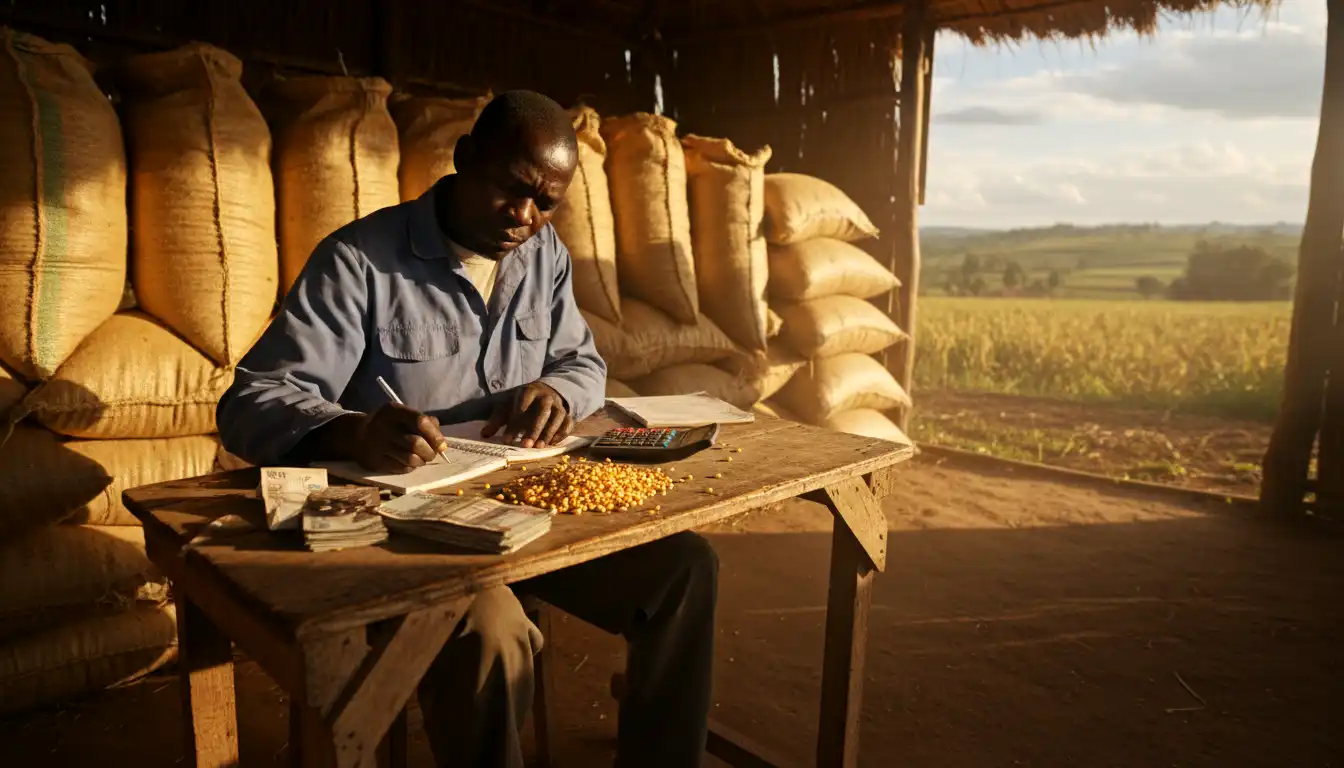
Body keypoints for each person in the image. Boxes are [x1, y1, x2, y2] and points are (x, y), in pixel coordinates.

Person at [217, 90, 717, 768]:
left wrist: (557, 391)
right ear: (463, 160)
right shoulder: (361, 260)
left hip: (525, 505)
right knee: (491, 633)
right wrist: (353, 431)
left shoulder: (544, 258)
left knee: (683, 569)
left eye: (546, 204)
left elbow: (581, 360)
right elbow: (253, 400)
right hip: (407, 526)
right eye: (510, 190)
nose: (524, 216)